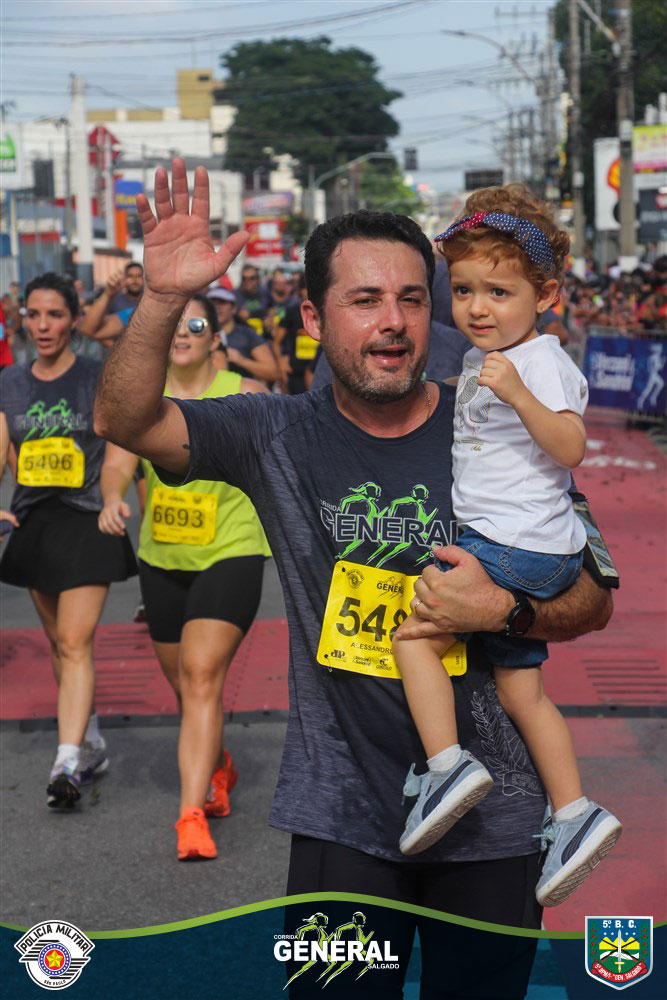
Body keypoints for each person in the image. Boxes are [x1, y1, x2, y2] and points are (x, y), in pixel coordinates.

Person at [94, 161, 613, 999]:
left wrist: (504, 609)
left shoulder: (492, 425)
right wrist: (159, 299)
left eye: (410, 298)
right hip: (343, 821)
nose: (393, 321)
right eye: (364, 300)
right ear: (312, 316)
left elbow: (591, 597)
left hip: (497, 827)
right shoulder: (271, 433)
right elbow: (122, 420)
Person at [391, 185, 622, 907]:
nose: (477, 307)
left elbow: (571, 446)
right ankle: (574, 813)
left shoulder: (540, 361)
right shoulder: (486, 357)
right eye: (462, 290)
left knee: (414, 638)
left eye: (499, 291)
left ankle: (447, 768)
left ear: (544, 295)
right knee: (524, 691)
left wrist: (520, 394)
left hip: (514, 543)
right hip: (522, 541)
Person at [98, 292, 270, 861]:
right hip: (163, 558)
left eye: (196, 323)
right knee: (188, 688)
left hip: (232, 550)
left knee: (199, 675)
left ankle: (191, 815)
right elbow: (118, 462)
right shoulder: (146, 399)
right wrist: (113, 498)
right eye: (175, 323)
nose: (183, 332)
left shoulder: (247, 396)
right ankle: (217, 762)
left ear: (217, 337)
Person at [0, 272, 137, 808]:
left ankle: (66, 760)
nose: (43, 325)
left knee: (76, 642)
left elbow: (118, 448)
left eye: (54, 314)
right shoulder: (11, 381)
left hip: (87, 519)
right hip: (35, 522)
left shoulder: (95, 377)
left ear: (74, 319)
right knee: (60, 643)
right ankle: (90, 737)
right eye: (33, 314)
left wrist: (113, 497)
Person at [207, 286, 278, 385]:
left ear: (233, 308)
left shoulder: (248, 334)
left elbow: (272, 372)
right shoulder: (200, 335)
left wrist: (241, 360)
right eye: (212, 303)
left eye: (222, 302)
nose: (217, 307)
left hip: (242, 392)